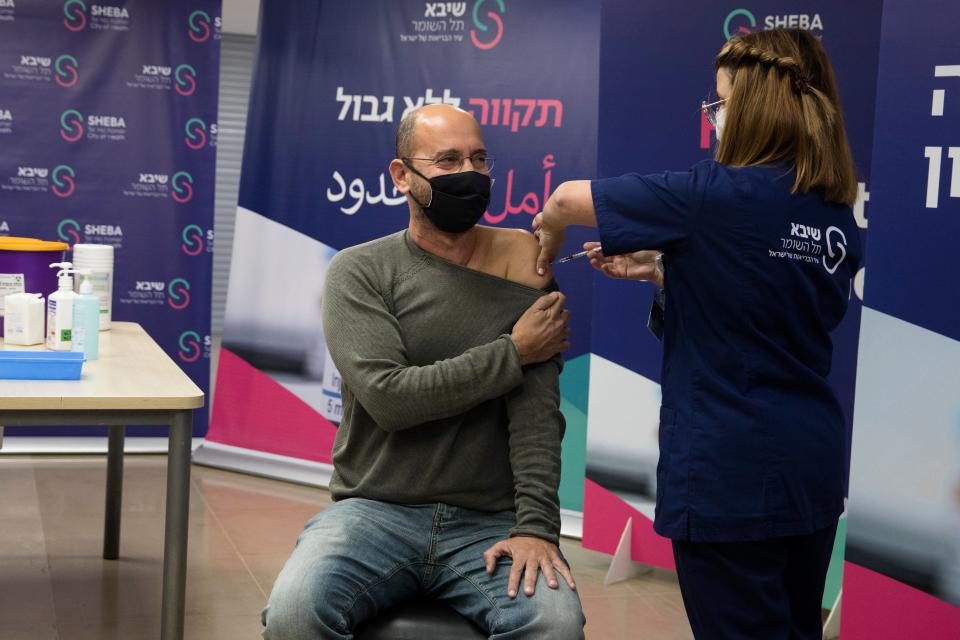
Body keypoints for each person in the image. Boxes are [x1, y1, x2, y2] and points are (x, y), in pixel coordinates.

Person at [532, 28, 861, 640]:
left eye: (719, 102)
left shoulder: (712, 196)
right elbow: (766, 302)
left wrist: (543, 248)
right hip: (807, 469)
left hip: (728, 475)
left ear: (752, 109)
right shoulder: (833, 213)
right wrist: (664, 270)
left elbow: (564, 200)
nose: (713, 119)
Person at [262, 103, 585, 639]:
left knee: (554, 624)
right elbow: (389, 399)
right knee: (296, 612)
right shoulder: (359, 272)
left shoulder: (525, 270)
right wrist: (512, 352)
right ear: (401, 176)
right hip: (374, 512)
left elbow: (537, 421)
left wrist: (536, 528)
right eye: (448, 160)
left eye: (479, 160)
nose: (469, 174)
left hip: (490, 520)